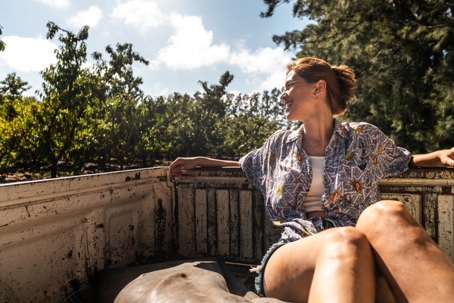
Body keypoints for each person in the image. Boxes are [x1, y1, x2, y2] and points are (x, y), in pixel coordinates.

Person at [169, 57, 454, 303]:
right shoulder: (278, 145)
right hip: (294, 254)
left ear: (318, 87)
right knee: (345, 240)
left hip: (363, 251)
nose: (282, 95)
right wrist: (200, 161)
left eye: (290, 85)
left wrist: (439, 154)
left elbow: (404, 160)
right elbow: (246, 164)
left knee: (387, 211)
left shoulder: (364, 137)